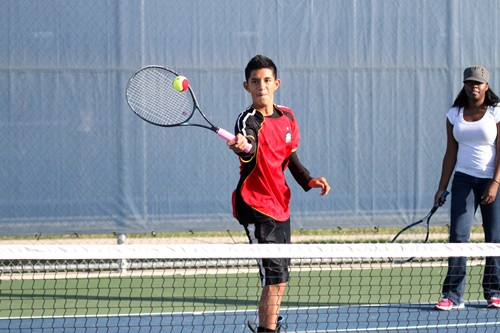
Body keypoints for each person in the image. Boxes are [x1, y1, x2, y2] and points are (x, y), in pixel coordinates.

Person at [228, 55, 331, 332]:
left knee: (280, 279)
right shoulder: (247, 120)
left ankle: (265, 322)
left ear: (276, 83)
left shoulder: (288, 118)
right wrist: (243, 146)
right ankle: (267, 328)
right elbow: (248, 144)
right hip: (255, 206)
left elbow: (291, 159)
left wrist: (309, 180)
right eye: (254, 81)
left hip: (280, 205)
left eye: (266, 80)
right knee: (273, 278)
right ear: (246, 87)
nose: (261, 86)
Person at [434, 66, 500, 311]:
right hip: (463, 181)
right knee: (459, 237)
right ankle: (452, 295)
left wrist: (495, 182)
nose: (474, 86)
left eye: (479, 83)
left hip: (490, 182)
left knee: (494, 238)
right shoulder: (454, 114)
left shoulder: (496, 112)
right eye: (470, 82)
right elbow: (450, 153)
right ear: (464, 85)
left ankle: (494, 291)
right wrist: (442, 188)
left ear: (486, 86)